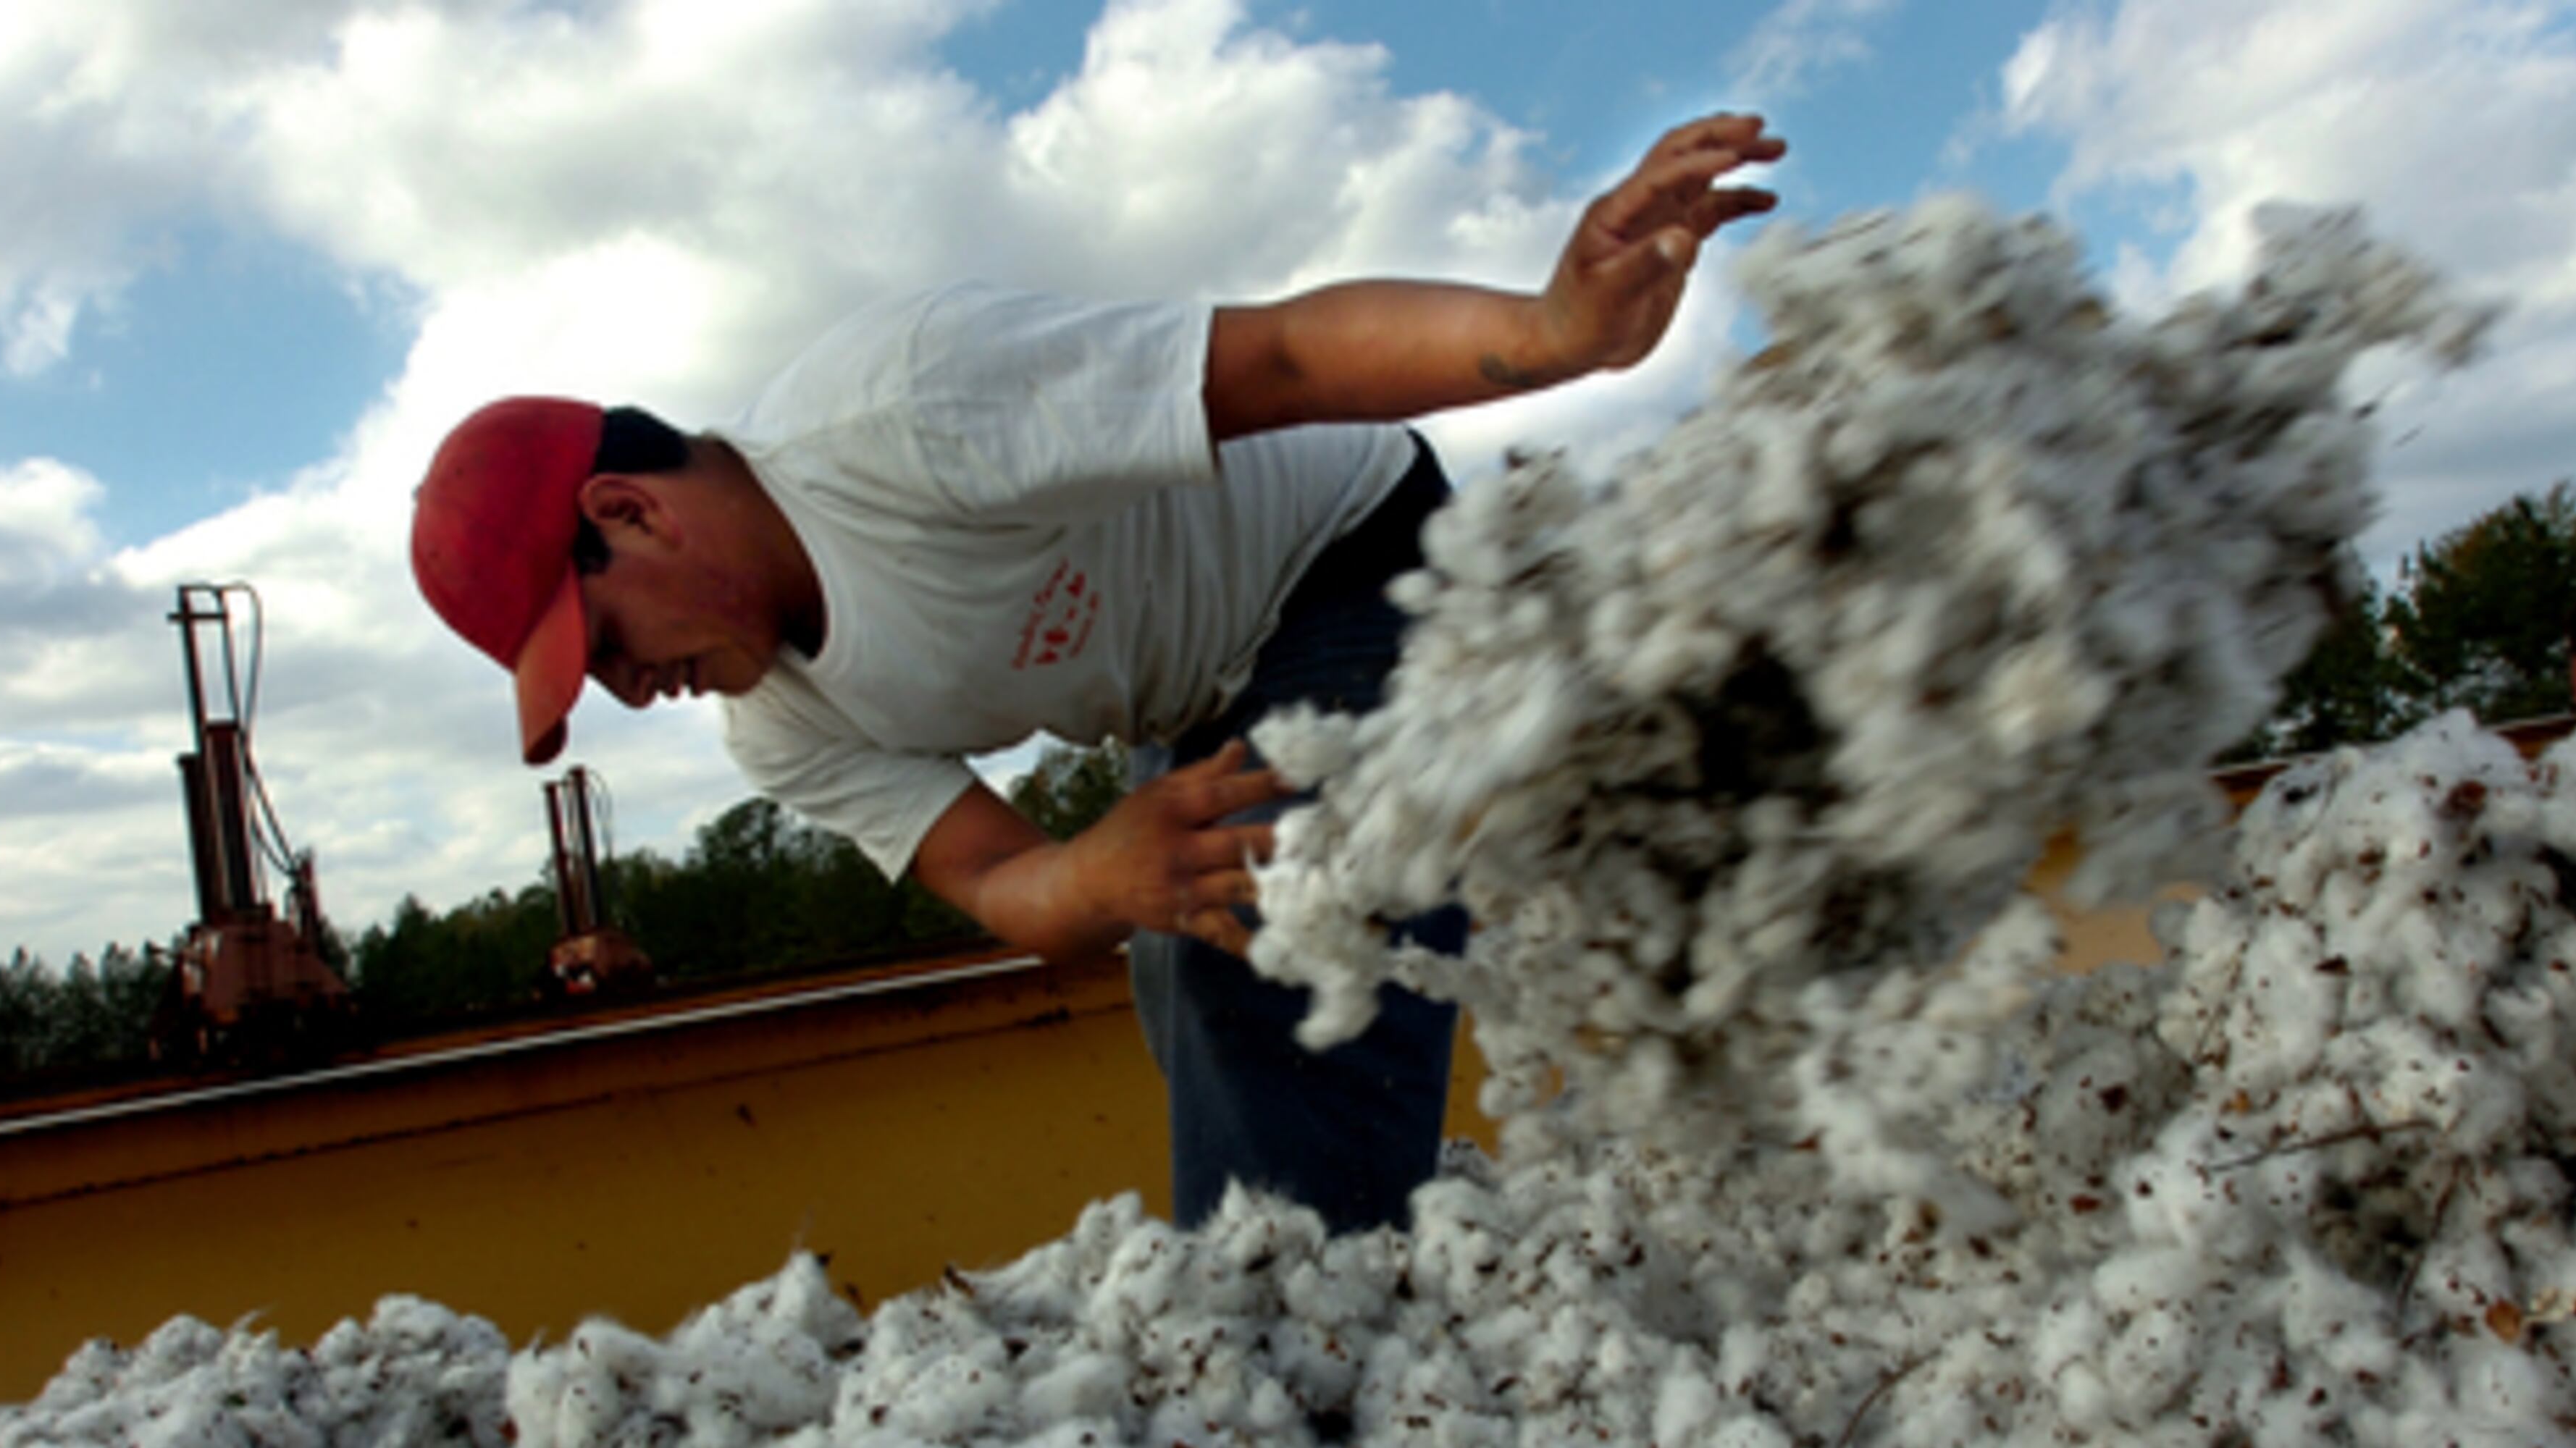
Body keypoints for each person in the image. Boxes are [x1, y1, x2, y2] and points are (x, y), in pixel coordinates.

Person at [410, 114, 1784, 1234]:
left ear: (630, 513)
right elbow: (1000, 878)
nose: (632, 692)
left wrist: (1555, 334)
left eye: (603, 650)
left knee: (1275, 955)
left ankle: (1330, 1381)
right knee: (1181, 984)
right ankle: (1327, 1275)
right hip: (1190, 687)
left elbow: (1285, 356)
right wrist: (1095, 877)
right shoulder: (776, 722)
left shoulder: (906, 410)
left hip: (1350, 552)